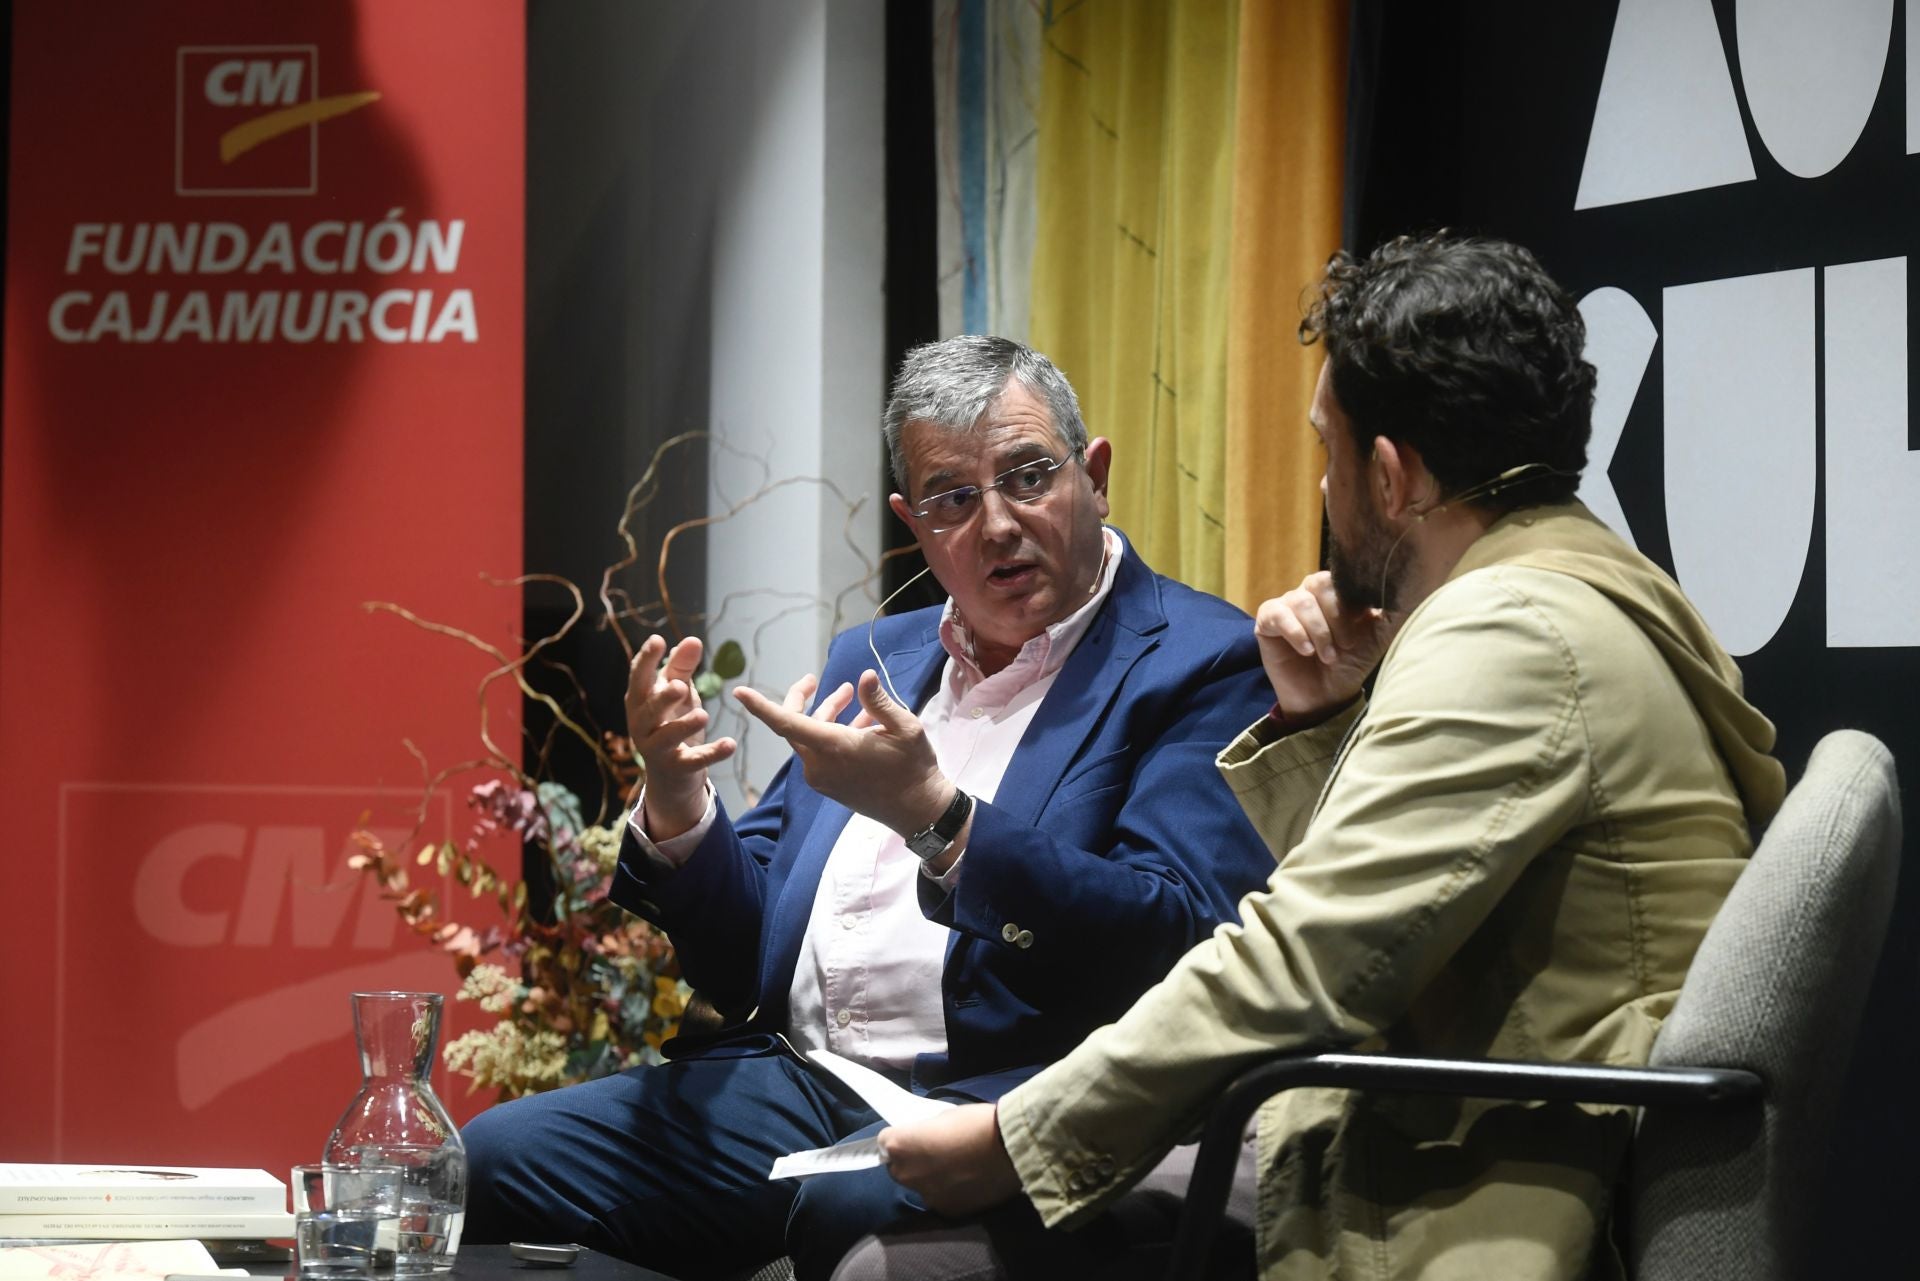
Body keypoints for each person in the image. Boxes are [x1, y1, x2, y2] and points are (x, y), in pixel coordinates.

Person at [860, 235, 1787, 1281]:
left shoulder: (1511, 636)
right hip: (1491, 1119)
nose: (1322, 485)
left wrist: (1015, 1144)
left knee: (900, 1267)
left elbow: (1299, 967)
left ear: (1388, 475)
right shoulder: (1582, 590)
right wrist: (1319, 726)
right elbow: (1402, 907)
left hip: (1498, 1178)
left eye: (1327, 451)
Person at [462, 334, 1277, 1279]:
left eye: (1027, 476)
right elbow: (743, 958)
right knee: (489, 1163)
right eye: (954, 499)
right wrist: (681, 798)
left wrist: (939, 815)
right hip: (803, 1082)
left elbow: (1176, 938)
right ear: (915, 524)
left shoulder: (1202, 661)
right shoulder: (876, 658)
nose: (1000, 523)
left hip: (1012, 1097)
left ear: (1093, 477)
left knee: (844, 1208)